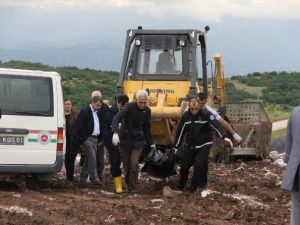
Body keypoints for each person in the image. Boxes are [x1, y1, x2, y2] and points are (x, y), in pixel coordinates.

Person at [174, 98, 232, 192]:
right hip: (192, 144)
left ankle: (193, 187)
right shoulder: (185, 116)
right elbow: (180, 132)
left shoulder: (206, 114)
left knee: (199, 164)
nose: (194, 111)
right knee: (184, 164)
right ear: (189, 107)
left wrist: (224, 136)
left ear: (199, 107)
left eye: (196, 109)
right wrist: (176, 146)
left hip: (205, 144)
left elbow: (217, 125)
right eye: (192, 109)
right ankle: (181, 184)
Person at [111, 90, 155, 193]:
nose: (143, 105)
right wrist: (115, 132)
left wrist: (151, 143)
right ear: (136, 100)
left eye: (145, 102)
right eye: (141, 102)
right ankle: (128, 183)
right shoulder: (129, 107)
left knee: (134, 164)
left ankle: (133, 188)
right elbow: (117, 117)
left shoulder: (147, 111)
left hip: (137, 141)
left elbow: (147, 128)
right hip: (125, 139)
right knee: (127, 167)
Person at [104, 94, 129, 193]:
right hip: (112, 141)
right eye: (121, 105)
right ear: (118, 103)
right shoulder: (111, 112)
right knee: (115, 161)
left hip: (125, 140)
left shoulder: (128, 111)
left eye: (124, 106)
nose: (123, 107)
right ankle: (118, 185)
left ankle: (128, 183)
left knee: (127, 162)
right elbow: (109, 125)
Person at [77, 96, 103, 186]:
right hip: (88, 139)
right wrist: (84, 139)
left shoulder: (97, 113)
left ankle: (82, 179)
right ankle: (94, 179)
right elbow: (80, 126)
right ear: (93, 102)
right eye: (97, 105)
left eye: (100, 106)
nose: (99, 107)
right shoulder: (85, 111)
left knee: (89, 160)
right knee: (92, 159)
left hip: (95, 139)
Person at [282, 106, 300, 225]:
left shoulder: (296, 112)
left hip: (296, 170)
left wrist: (288, 161)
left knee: (296, 208)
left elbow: (288, 140)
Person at [91, 90, 109, 182]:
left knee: (100, 160)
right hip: (90, 138)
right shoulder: (88, 108)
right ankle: (91, 177)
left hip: (101, 138)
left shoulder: (105, 108)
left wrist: (102, 139)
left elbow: (106, 124)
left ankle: (99, 177)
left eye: (99, 98)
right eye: (95, 98)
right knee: (90, 160)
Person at [64, 98, 80, 181]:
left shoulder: (76, 115)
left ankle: (71, 177)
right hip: (63, 140)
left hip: (73, 140)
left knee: (72, 159)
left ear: (71, 105)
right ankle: (68, 176)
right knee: (66, 159)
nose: (67, 106)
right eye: (66, 104)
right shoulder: (60, 115)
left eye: (69, 104)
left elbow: (78, 128)